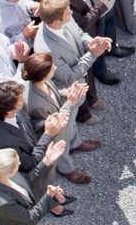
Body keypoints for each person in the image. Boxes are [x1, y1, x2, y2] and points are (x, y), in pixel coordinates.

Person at [22, 53, 95, 184]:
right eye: (52, 67)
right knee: (60, 144)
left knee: (70, 130)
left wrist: (68, 92)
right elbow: (56, 125)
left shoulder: (41, 81)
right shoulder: (35, 103)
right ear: (43, 75)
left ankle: (74, 144)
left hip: (61, 120)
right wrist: (70, 101)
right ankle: (66, 168)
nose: (55, 68)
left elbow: (55, 94)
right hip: (55, 131)